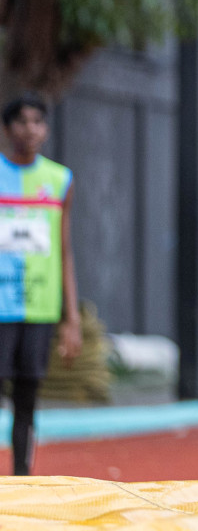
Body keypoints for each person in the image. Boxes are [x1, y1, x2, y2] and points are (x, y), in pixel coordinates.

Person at [0, 93, 82, 476]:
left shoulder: (59, 180)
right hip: (1, 307)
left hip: (39, 307)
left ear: (46, 130)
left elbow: (65, 250)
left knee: (27, 398)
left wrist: (72, 318)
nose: (30, 129)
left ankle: (21, 481)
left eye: (38, 121)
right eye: (22, 121)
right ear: (7, 128)